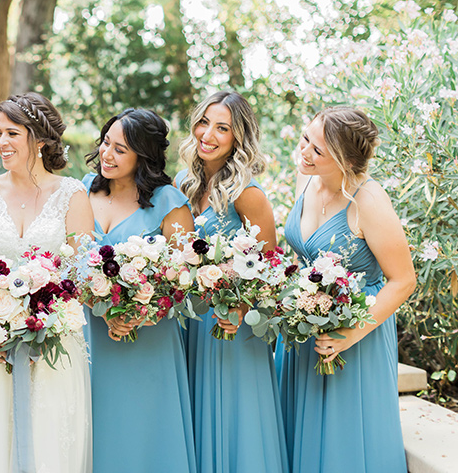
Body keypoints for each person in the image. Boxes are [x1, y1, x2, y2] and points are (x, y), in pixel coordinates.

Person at [0, 92, 94, 473]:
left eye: (12, 133)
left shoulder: (72, 194)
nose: (1, 142)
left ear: (41, 139)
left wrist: (46, 323)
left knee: (51, 444)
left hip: (54, 344)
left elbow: (78, 278)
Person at [278, 107, 415, 473]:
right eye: (305, 138)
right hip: (304, 329)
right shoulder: (306, 178)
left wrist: (348, 334)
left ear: (345, 160)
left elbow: (403, 280)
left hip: (357, 334)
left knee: (346, 443)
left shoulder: (368, 200)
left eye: (317, 150)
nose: (304, 152)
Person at [176, 91, 288, 473]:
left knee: (236, 421)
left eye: (222, 128)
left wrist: (239, 308)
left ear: (238, 137)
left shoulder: (249, 195)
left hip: (232, 326)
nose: (208, 134)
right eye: (204, 122)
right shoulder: (182, 184)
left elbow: (271, 267)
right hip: (190, 323)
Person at [84, 108, 197, 472]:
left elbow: (184, 280)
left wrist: (138, 315)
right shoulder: (82, 191)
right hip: (90, 336)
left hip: (147, 339)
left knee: (144, 437)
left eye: (120, 149)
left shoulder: (169, 203)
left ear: (142, 156)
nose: (106, 154)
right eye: (105, 143)